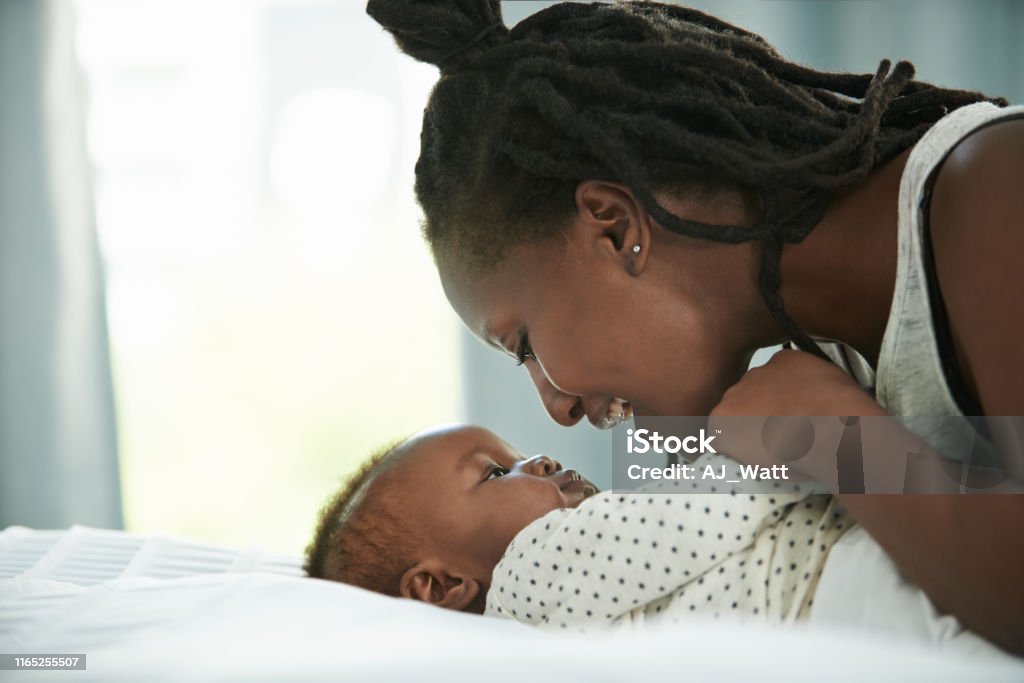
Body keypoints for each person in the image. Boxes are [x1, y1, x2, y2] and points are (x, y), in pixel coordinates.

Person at [365, 0, 1024, 653]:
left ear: (616, 227)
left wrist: (834, 432)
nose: (559, 407)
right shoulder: (825, 348)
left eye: (526, 345)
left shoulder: (997, 196)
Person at [304, 424, 1005, 658]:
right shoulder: (529, 574)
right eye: (495, 472)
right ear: (441, 585)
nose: (538, 460)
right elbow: (706, 510)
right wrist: (793, 428)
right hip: (835, 592)